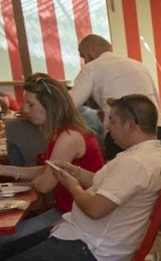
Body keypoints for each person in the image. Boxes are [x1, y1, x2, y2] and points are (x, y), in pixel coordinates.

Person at [0, 94, 161, 261]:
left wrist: (72, 186)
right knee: (10, 259)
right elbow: (105, 186)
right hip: (88, 240)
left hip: (88, 248)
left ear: (130, 125)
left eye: (112, 121)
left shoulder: (134, 163)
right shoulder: (146, 156)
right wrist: (78, 174)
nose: (107, 126)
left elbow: (96, 209)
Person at [69, 33, 161, 261]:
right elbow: (154, 104)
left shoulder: (92, 68)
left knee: (119, 189)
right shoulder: (137, 64)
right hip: (153, 127)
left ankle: (124, 248)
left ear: (89, 54)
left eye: (82, 56)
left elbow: (69, 105)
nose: (83, 60)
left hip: (124, 128)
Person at [0, 75, 105, 248]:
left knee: (3, 239)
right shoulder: (65, 132)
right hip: (69, 211)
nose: (25, 109)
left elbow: (44, 185)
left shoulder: (69, 137)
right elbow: (46, 170)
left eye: (31, 104)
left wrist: (31, 178)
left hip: (76, 218)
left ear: (50, 105)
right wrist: (4, 170)